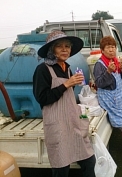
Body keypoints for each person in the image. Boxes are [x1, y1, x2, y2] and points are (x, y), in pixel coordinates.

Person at [33, 30, 96, 177]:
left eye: (67, 46)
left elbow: (66, 93)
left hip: (72, 122)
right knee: (61, 168)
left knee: (88, 160)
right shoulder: (43, 69)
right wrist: (67, 84)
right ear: (51, 49)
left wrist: (74, 83)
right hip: (57, 126)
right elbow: (42, 98)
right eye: (59, 46)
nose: (64, 49)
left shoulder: (67, 67)